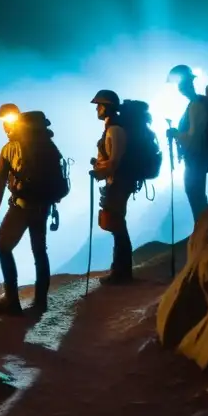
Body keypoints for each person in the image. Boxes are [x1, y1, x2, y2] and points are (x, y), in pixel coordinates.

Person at [0, 109, 56, 315]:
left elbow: (0, 181)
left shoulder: (9, 148)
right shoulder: (46, 143)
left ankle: (12, 302)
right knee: (39, 251)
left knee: (3, 246)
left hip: (22, 205)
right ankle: (41, 301)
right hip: (43, 205)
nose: (4, 126)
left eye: (4, 122)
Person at [89, 89, 134, 284]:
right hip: (117, 182)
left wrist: (99, 169)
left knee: (117, 226)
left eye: (99, 105)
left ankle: (121, 273)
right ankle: (120, 270)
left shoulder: (115, 129)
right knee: (117, 225)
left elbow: (115, 161)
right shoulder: (112, 128)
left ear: (107, 107)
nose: (97, 109)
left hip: (119, 182)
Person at [166, 64, 208, 223]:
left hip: (196, 159)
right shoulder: (194, 104)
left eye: (180, 84)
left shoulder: (196, 106)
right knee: (197, 195)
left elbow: (193, 138)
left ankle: (204, 232)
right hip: (196, 159)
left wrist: (176, 134)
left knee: (195, 194)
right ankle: (203, 231)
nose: (179, 88)